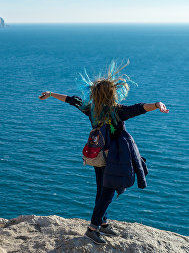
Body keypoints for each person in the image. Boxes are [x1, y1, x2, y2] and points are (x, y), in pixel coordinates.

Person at [38, 61, 169, 245]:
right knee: (107, 192)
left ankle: (104, 223)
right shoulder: (117, 111)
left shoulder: (91, 109)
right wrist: (157, 104)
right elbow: (139, 108)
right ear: (112, 93)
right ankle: (92, 229)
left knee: (101, 189)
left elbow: (71, 99)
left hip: (97, 155)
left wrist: (50, 94)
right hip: (114, 158)